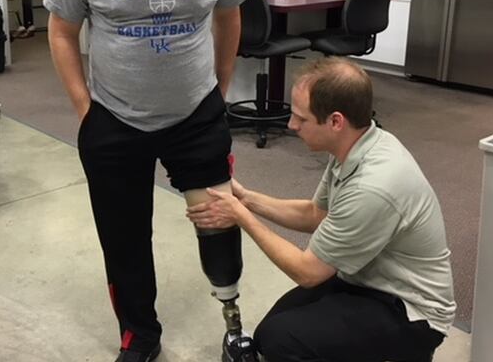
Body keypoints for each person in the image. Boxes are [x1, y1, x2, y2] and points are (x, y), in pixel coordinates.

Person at [44, 0, 258, 361]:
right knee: (125, 240)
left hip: (197, 113)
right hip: (114, 119)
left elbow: (229, 12)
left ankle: (233, 322)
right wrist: (86, 111)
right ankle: (140, 335)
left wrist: (221, 89)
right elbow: (62, 29)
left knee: (218, 223)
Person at [187, 57, 457, 362]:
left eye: (302, 119)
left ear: (335, 121)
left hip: (411, 310)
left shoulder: (374, 185)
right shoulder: (356, 145)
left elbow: (309, 272)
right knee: (269, 333)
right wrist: (247, 199)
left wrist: (241, 216)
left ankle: (402, 353)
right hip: (365, 277)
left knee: (282, 342)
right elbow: (315, 214)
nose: (291, 125)